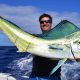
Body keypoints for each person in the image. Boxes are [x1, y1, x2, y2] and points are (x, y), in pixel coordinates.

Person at [29, 13, 61, 80]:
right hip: (35, 76)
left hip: (53, 77)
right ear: (40, 24)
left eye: (47, 21)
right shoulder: (34, 38)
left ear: (51, 23)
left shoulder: (59, 39)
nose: (44, 23)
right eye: (42, 22)